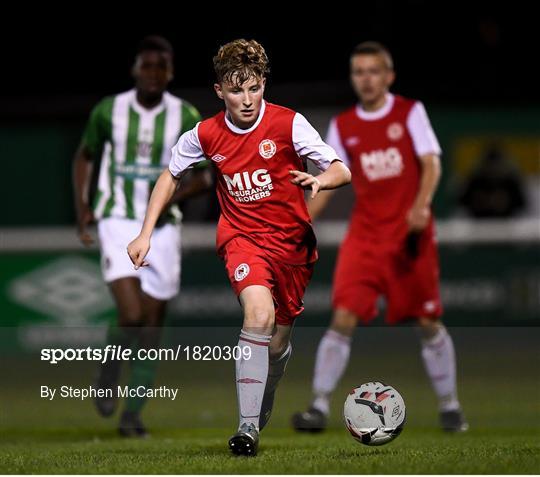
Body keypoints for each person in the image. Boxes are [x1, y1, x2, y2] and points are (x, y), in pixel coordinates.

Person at [127, 39, 351, 455]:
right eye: (235, 91)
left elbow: (341, 168)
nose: (246, 100)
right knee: (258, 315)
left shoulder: (289, 124)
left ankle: (265, 391)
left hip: (292, 248)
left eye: (253, 88)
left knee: (278, 345)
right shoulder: (206, 133)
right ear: (219, 91)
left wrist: (321, 180)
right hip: (242, 240)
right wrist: (145, 232)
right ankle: (246, 429)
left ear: (264, 83)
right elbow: (170, 176)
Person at [291, 41, 468, 433]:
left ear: (388, 76)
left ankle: (450, 406)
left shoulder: (410, 112)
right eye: (358, 72)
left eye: (373, 72)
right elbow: (328, 182)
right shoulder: (344, 125)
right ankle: (318, 406)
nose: (366, 79)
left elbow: (431, 164)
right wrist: (300, 223)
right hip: (365, 238)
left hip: (409, 236)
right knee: (343, 316)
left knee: (427, 320)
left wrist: (421, 205)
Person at [73, 35, 211, 437]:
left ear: (170, 72)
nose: (153, 74)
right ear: (135, 69)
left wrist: (168, 193)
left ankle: (132, 416)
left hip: (164, 227)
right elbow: (85, 155)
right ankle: (110, 367)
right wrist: (83, 205)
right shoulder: (109, 110)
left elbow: (203, 176)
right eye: (147, 66)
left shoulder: (184, 115)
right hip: (116, 218)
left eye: (161, 67)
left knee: (151, 324)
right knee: (131, 316)